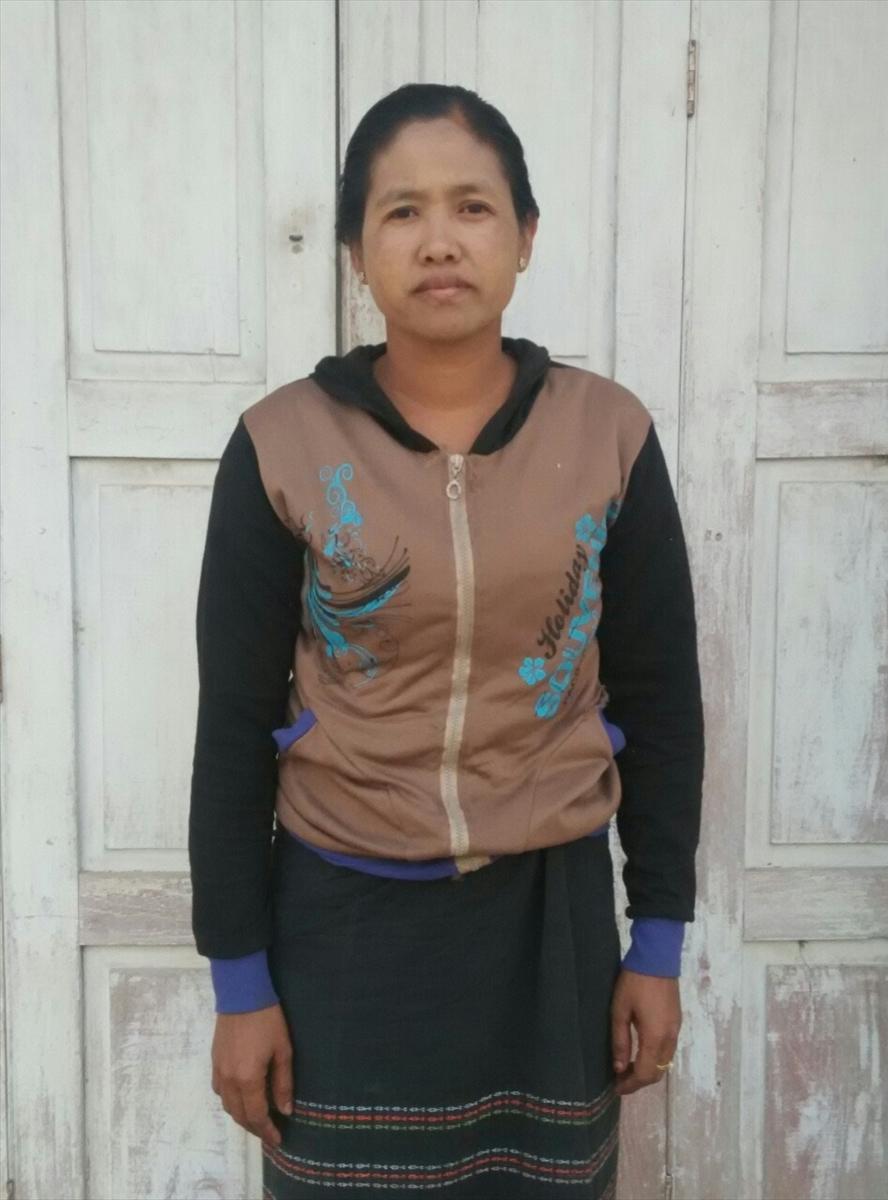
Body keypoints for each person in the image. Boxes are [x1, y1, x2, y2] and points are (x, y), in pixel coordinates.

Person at [188, 82, 705, 1200]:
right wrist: (238, 979)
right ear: (354, 253)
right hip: (341, 925)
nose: (438, 242)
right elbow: (231, 725)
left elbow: (661, 699)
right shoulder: (282, 445)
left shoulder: (607, 434)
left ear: (525, 236)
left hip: (550, 921)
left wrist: (657, 939)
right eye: (401, 211)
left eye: (472, 207)